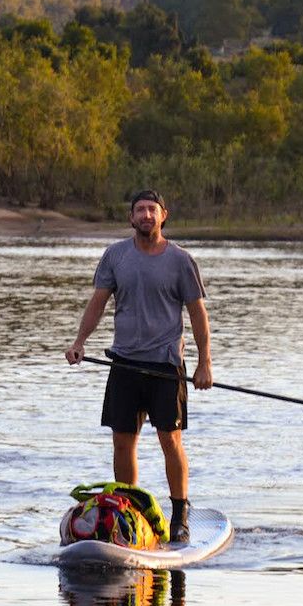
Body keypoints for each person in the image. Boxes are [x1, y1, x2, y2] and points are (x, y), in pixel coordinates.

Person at [65, 189, 212, 543]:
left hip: (165, 366)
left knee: (170, 441)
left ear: (164, 215)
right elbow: (97, 304)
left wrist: (204, 362)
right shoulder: (115, 256)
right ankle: (126, 511)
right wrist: (79, 342)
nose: (146, 215)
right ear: (131, 217)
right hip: (125, 365)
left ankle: (180, 514)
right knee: (122, 443)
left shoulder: (180, 260)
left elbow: (197, 313)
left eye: (152, 210)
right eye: (140, 210)